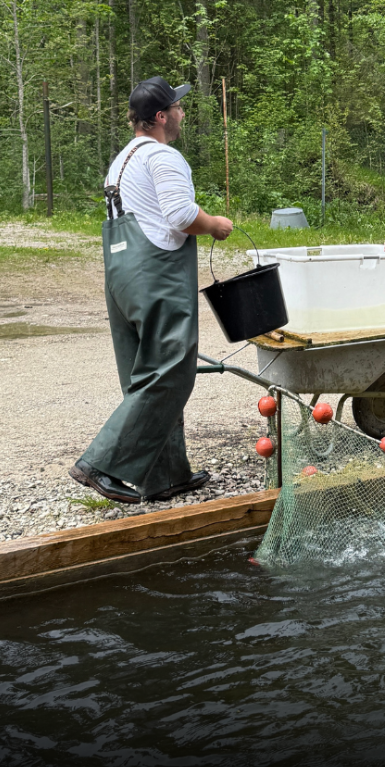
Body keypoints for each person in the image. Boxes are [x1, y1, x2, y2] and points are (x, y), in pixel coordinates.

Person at [69, 76, 234, 504]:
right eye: (176, 107)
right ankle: (100, 463)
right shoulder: (163, 156)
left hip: (121, 276)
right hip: (156, 275)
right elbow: (180, 216)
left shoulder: (122, 160)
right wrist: (214, 225)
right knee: (171, 371)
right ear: (160, 117)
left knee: (143, 375)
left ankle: (165, 475)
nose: (182, 113)